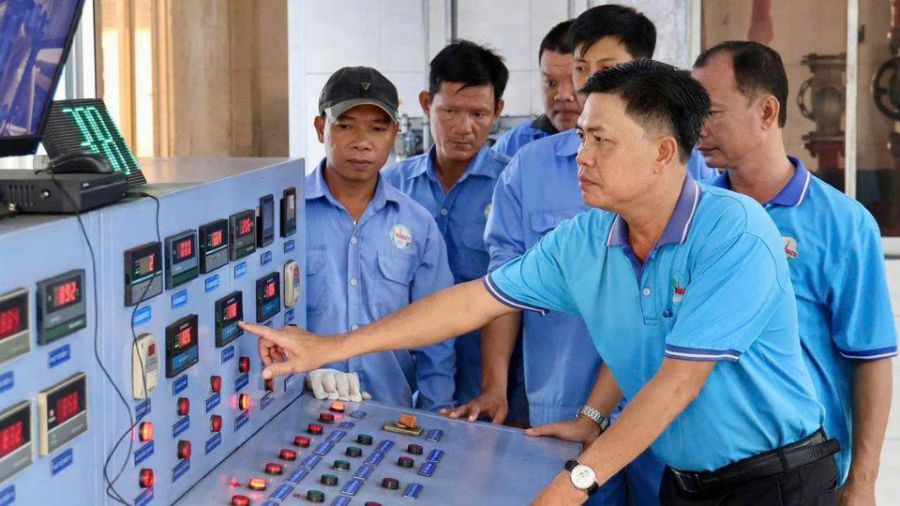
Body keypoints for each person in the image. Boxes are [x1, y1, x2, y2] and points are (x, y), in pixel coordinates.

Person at [242, 60, 836, 504]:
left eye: (600, 140)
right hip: (685, 483)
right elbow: (474, 300)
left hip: (773, 480)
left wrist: (578, 480)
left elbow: (677, 384)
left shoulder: (735, 234)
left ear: (661, 152)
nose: (580, 154)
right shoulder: (589, 239)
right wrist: (331, 347)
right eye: (582, 135)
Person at [452, 6, 679, 504]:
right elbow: (500, 288)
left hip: (663, 411)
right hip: (561, 403)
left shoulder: (685, 168)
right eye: (580, 68)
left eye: (607, 68)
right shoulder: (529, 168)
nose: (586, 83)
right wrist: (495, 385)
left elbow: (659, 310)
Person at [693, 41, 896, 502]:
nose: (697, 128)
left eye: (712, 112)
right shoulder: (694, 216)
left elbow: (871, 358)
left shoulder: (841, 224)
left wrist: (862, 480)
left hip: (798, 472)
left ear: (767, 111)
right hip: (701, 472)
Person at [301, 66, 456, 411]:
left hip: (391, 412)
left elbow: (437, 332)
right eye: (346, 125)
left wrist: (437, 417)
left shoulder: (418, 225)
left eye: (377, 128)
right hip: (299, 412)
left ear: (395, 134)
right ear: (319, 128)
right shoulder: (287, 218)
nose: (362, 142)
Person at [382, 41, 512, 413]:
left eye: (478, 113)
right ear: (426, 104)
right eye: (450, 111)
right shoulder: (391, 187)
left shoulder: (512, 187)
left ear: (498, 111)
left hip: (487, 388)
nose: (463, 127)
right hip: (403, 383)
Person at [492, 20, 578, 157]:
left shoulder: (620, 147)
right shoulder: (513, 147)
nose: (563, 95)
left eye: (575, 81)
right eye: (551, 82)